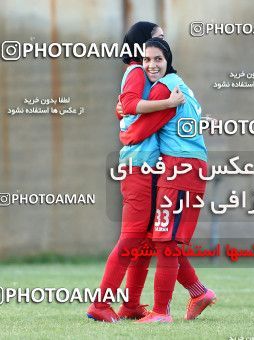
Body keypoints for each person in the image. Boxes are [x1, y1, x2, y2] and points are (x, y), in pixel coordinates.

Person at [87, 21, 185, 322]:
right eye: (158, 38)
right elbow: (128, 104)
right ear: (142, 43)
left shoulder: (147, 74)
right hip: (138, 166)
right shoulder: (136, 71)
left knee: (143, 240)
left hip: (147, 165)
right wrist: (169, 103)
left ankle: (130, 305)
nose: (163, 43)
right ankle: (100, 305)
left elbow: (126, 107)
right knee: (131, 238)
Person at [118, 38, 216, 323]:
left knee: (166, 241)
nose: (151, 65)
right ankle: (199, 293)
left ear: (168, 60)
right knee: (159, 238)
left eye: (158, 59)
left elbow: (138, 133)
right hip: (183, 166)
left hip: (181, 168)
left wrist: (124, 125)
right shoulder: (178, 83)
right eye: (147, 59)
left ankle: (161, 312)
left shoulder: (165, 88)